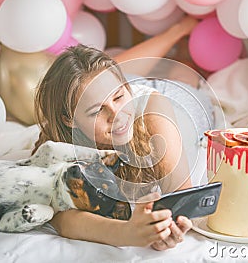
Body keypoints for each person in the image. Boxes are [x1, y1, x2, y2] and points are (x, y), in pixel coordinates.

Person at [33, 16, 199, 251]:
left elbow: (181, 196)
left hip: (174, 100)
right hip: (121, 92)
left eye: (119, 97)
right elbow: (62, 216)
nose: (117, 115)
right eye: (97, 111)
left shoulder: (154, 110)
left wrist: (168, 228)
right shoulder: (58, 139)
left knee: (186, 75)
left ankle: (179, 31)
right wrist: (128, 233)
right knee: (89, 79)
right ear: (69, 120)